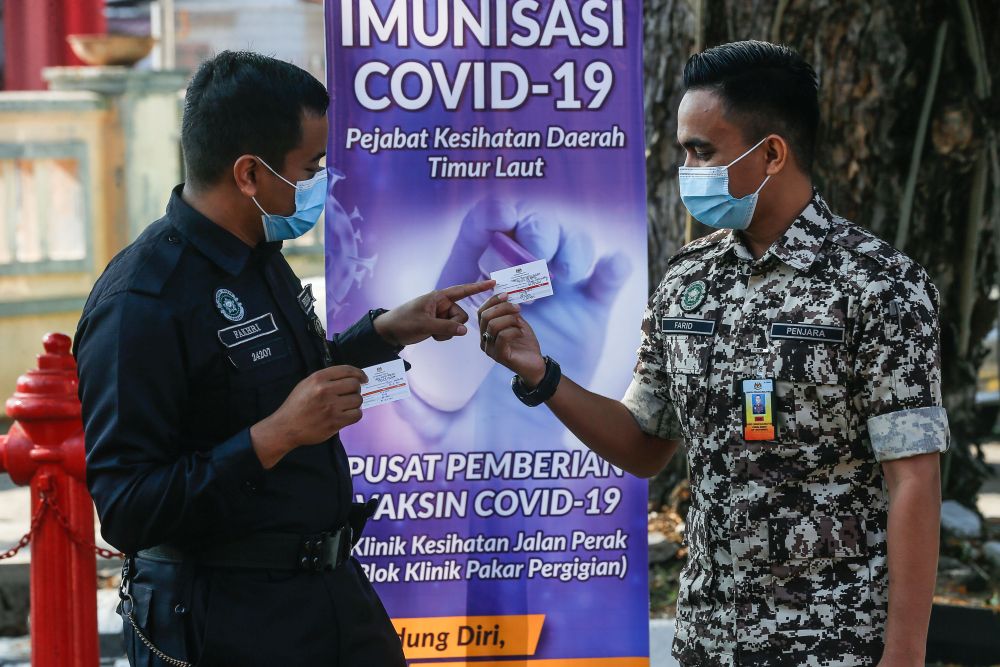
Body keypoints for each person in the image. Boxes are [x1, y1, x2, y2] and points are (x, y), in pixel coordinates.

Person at [478, 40, 949, 666]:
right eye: (683, 149)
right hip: (708, 639)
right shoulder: (689, 282)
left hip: (833, 644)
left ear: (772, 154)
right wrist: (541, 375)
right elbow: (644, 444)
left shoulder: (876, 285)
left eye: (703, 150)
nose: (687, 166)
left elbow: (913, 477)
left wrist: (906, 652)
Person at [74, 51, 491, 667]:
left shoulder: (257, 255)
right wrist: (274, 437)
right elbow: (129, 509)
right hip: (223, 617)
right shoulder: (143, 301)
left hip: (327, 595)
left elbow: (290, 384)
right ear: (249, 173)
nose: (322, 182)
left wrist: (387, 332)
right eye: (311, 167)